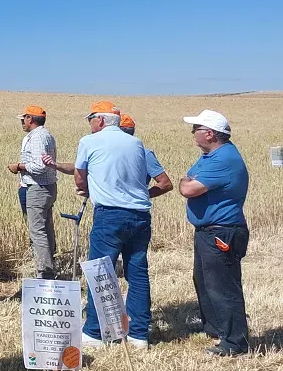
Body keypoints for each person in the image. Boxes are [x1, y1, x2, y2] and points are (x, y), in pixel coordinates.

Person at [72, 101, 151, 349]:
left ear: (102, 121)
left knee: (100, 272)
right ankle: (139, 334)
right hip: (140, 213)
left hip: (110, 214)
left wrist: (86, 188)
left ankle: (95, 332)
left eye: (91, 119)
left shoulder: (89, 141)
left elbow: (79, 175)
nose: (90, 124)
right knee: (137, 273)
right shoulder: (136, 144)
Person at [179, 110, 250, 356]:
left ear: (209, 134)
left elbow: (188, 188)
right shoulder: (211, 156)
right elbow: (189, 180)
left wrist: (186, 181)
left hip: (222, 232)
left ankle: (235, 342)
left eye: (195, 130)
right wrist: (187, 181)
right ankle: (217, 329)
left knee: (223, 287)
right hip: (209, 230)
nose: (193, 135)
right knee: (205, 281)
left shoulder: (222, 160)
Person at [47, 114, 173, 198]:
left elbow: (165, 183)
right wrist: (56, 165)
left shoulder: (144, 154)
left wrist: (136, 197)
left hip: (113, 212)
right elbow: (80, 168)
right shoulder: (143, 152)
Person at [9, 106, 58, 279]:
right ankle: (49, 264)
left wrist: (19, 166)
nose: (22, 122)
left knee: (37, 230)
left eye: (23, 119)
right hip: (46, 187)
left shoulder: (37, 137)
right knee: (45, 227)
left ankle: (44, 272)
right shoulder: (45, 135)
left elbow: (39, 166)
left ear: (30, 118)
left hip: (38, 188)